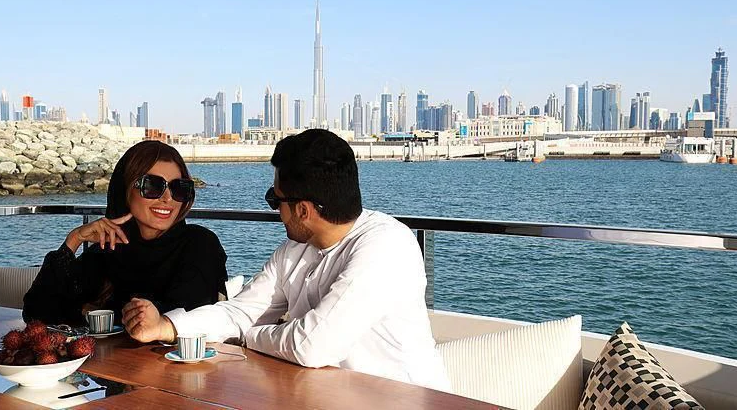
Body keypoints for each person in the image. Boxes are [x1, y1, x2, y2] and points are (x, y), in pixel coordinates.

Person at [123, 129, 449, 390]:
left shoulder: (385, 247)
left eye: (274, 200)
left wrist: (251, 337)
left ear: (303, 211)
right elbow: (243, 310)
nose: (276, 212)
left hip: (405, 400)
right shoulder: (296, 248)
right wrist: (165, 326)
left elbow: (311, 346)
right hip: (322, 395)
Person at [23, 140, 227, 326]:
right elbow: (36, 313)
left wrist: (89, 312)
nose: (168, 198)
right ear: (125, 190)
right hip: (106, 364)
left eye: (179, 188)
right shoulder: (111, 249)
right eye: (153, 186)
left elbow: (186, 316)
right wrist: (75, 239)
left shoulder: (200, 244)